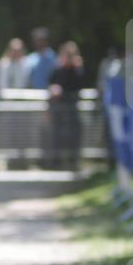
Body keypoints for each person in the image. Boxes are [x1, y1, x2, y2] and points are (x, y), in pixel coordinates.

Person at [48, 41, 86, 170]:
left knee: (74, 135)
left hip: (72, 110)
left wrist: (78, 67)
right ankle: (56, 161)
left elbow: (80, 84)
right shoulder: (58, 69)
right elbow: (51, 83)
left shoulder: (77, 70)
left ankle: (73, 160)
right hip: (59, 110)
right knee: (57, 135)